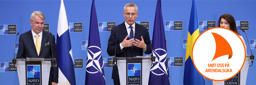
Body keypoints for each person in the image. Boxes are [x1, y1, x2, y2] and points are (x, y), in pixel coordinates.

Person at [107, 3, 152, 85]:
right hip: (120, 73)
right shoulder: (116, 30)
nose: (130, 16)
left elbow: (150, 50)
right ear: (124, 14)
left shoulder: (143, 30)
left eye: (133, 14)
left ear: (137, 15)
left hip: (138, 72)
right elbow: (110, 51)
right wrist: (122, 45)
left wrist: (144, 46)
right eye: (128, 13)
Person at [17, 11, 58, 85]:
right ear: (31, 22)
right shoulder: (23, 38)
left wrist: (54, 81)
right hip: (29, 79)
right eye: (37, 23)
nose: (39, 26)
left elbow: (54, 59)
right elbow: (20, 59)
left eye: (42, 23)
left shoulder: (50, 37)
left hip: (47, 79)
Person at [213, 14, 248, 85]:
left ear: (231, 25)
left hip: (234, 74)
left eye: (226, 23)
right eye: (221, 23)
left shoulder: (239, 38)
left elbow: (243, 55)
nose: (223, 25)